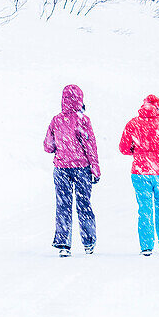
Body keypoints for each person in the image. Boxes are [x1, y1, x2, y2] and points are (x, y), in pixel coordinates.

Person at [119, 94, 159, 256]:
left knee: (144, 209)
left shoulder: (133, 123)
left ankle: (146, 246)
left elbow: (124, 148)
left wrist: (137, 151)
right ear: (158, 106)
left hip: (140, 172)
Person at [43, 84, 101, 257]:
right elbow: (90, 146)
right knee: (84, 205)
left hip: (61, 169)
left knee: (63, 205)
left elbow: (48, 146)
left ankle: (63, 244)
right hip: (81, 168)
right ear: (80, 99)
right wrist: (95, 168)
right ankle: (89, 242)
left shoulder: (56, 120)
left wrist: (60, 146)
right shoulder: (83, 120)